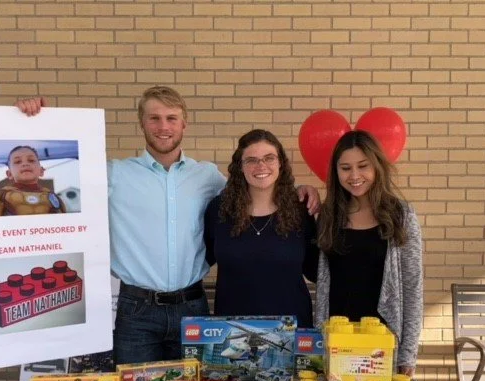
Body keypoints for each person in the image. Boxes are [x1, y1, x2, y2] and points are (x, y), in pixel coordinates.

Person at [16, 86, 320, 364]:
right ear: (142, 123)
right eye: (155, 118)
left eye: (172, 118)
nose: (164, 127)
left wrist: (300, 190)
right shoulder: (115, 175)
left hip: (192, 306)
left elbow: (258, 188)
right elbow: (61, 173)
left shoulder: (209, 178)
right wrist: (36, 122)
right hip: (137, 310)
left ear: (184, 124)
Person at [314, 130, 423, 376]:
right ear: (336, 172)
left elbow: (413, 287)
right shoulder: (329, 216)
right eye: (345, 168)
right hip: (337, 342)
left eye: (363, 166)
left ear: (376, 167)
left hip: (382, 344)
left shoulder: (401, 216)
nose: (354, 176)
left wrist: (408, 354)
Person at [204, 129, 319, 328]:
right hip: (233, 331)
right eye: (251, 160)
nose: (261, 166)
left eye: (269, 158)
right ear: (240, 166)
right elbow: (201, 259)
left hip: (291, 330)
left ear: (280, 163)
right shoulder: (220, 210)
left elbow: (316, 270)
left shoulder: (300, 210)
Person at [0, 145, 66, 216]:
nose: (25, 164)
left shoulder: (53, 198)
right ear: (9, 174)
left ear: (41, 171)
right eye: (18, 162)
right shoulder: (0, 197)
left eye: (31, 160)